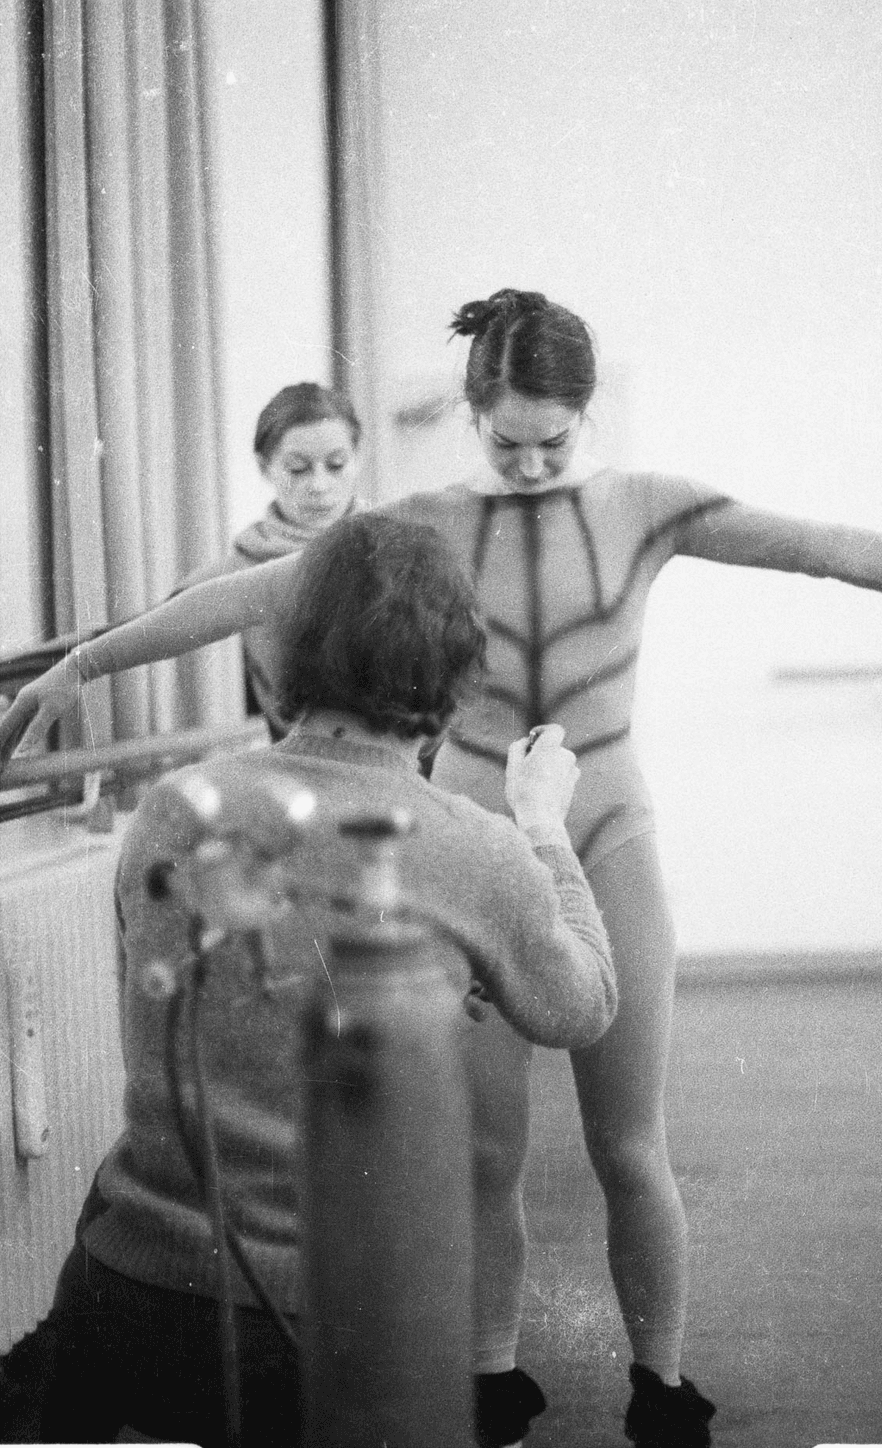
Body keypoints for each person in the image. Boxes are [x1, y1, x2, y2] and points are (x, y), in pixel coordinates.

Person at [2, 289, 882, 1448]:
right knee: (482, 1152)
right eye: (506, 440)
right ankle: (487, 1377)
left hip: (604, 823)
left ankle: (661, 1382)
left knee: (631, 1143)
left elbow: (827, 550)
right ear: (471, 415)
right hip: (474, 831)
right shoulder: (422, 523)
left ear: (587, 418)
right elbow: (251, 593)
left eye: (555, 440)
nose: (531, 463)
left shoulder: (648, 508)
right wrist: (83, 663)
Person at [0, 512, 615, 1448]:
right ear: (453, 680)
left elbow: (226, 992)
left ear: (292, 655)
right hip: (322, 1333)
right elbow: (583, 1006)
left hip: (128, 1297)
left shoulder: (174, 808)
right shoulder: (477, 849)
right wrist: (544, 827)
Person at [178, 380, 362, 739]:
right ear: (265, 468)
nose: (319, 485)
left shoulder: (398, 547)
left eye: (336, 465)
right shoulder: (239, 569)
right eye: (298, 468)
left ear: (358, 458)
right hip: (294, 762)